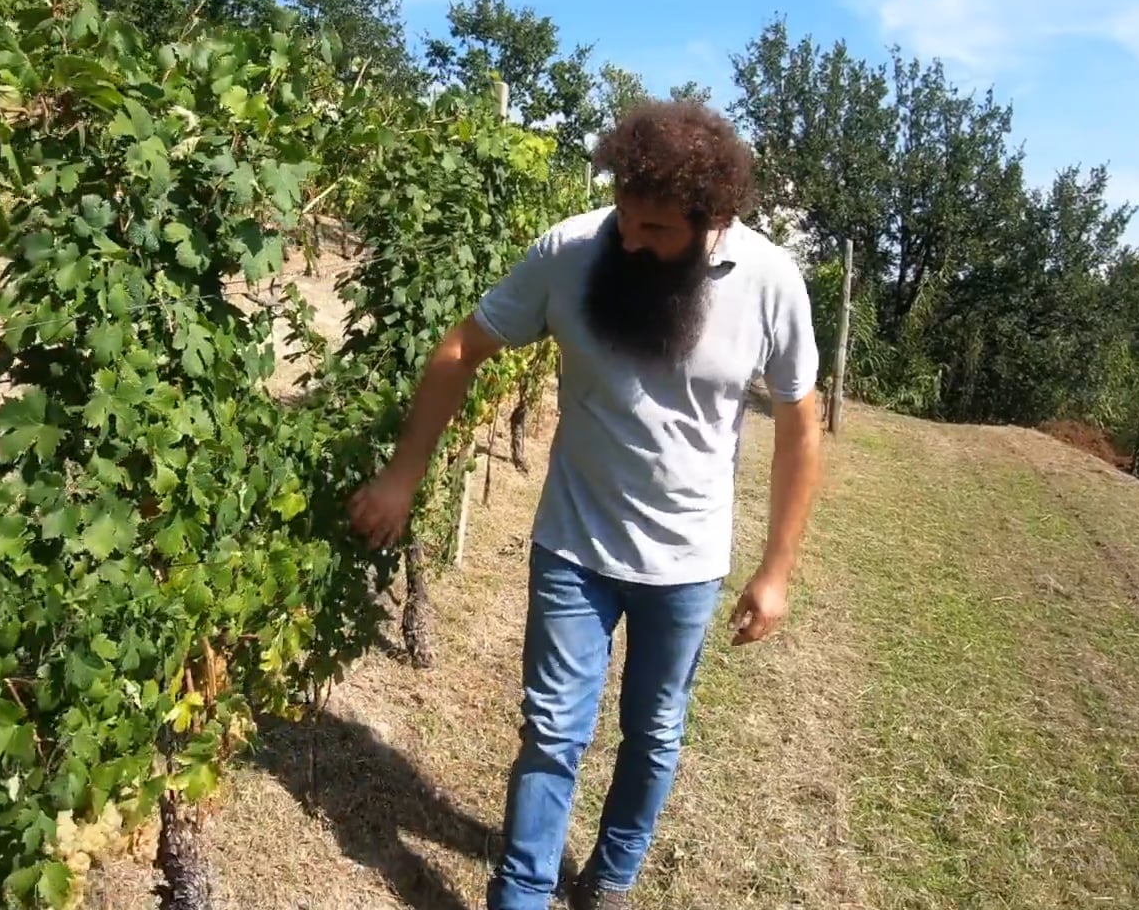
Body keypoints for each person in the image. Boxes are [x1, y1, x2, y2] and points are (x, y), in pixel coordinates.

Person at [347, 100, 825, 910]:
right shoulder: (572, 250)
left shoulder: (771, 282)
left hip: (687, 562)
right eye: (624, 217)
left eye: (657, 229)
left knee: (655, 733)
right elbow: (462, 347)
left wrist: (777, 570)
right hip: (573, 545)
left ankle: (611, 876)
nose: (631, 240)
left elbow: (799, 429)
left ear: (715, 220)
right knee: (552, 735)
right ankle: (523, 893)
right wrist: (404, 472)